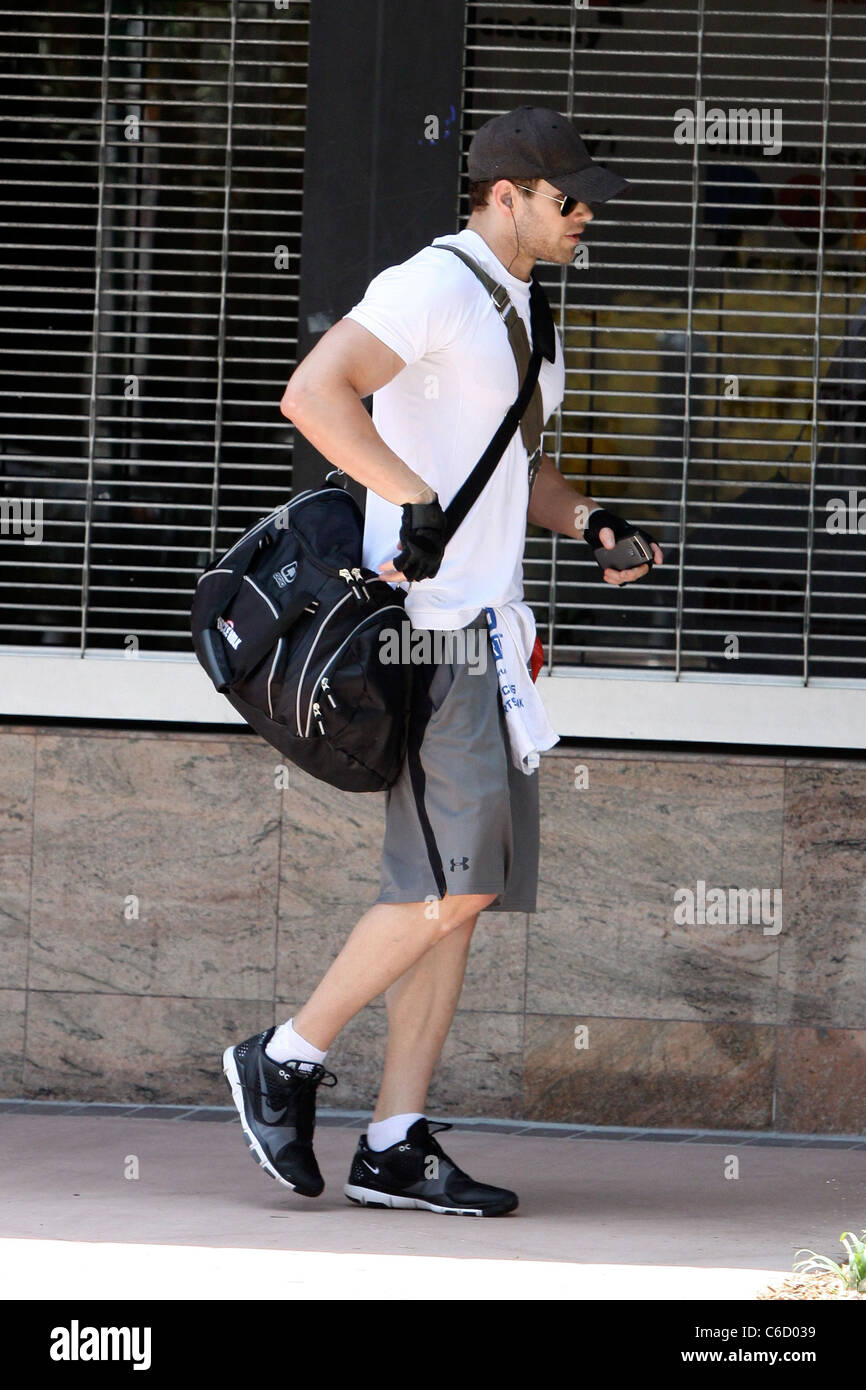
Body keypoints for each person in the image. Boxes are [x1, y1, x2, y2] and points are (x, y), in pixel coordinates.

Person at [223, 106, 663, 1216]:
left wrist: (590, 520)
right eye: (571, 200)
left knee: (453, 890)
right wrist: (408, 499)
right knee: (455, 880)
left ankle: (395, 1138)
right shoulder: (433, 283)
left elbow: (512, 472)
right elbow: (313, 392)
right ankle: (282, 1054)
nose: (586, 216)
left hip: (486, 630)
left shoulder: (526, 309)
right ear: (504, 195)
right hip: (422, 629)